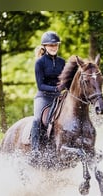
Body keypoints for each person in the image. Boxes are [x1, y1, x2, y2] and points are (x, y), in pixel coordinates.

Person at [30, 31, 66, 162]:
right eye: (50, 45)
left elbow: (67, 80)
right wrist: (56, 88)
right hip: (43, 97)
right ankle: (34, 151)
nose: (53, 47)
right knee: (36, 119)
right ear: (45, 46)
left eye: (55, 45)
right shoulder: (40, 62)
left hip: (59, 97)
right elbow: (40, 85)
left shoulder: (62, 62)